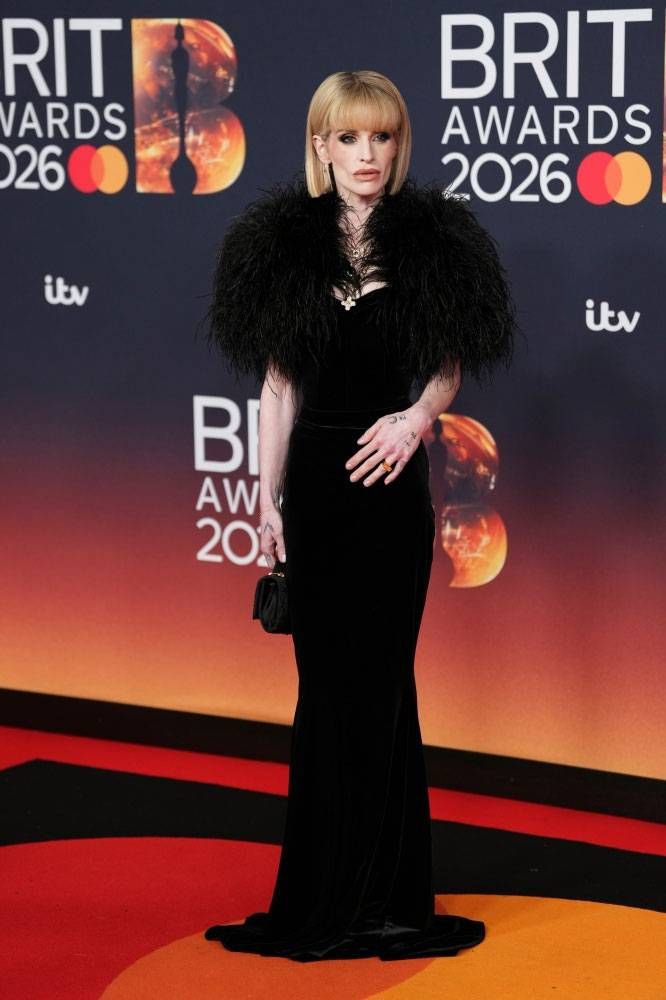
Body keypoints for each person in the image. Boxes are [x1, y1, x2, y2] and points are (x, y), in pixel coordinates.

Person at [202, 70, 517, 961]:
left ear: (397, 145)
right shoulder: (283, 247)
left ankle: (387, 900)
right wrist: (265, 497)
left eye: (381, 137)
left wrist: (415, 421)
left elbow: (448, 368)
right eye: (349, 137)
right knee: (324, 691)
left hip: (389, 491)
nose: (367, 154)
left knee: (381, 686)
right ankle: (323, 894)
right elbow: (277, 385)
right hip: (316, 492)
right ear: (321, 146)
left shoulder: (433, 242)